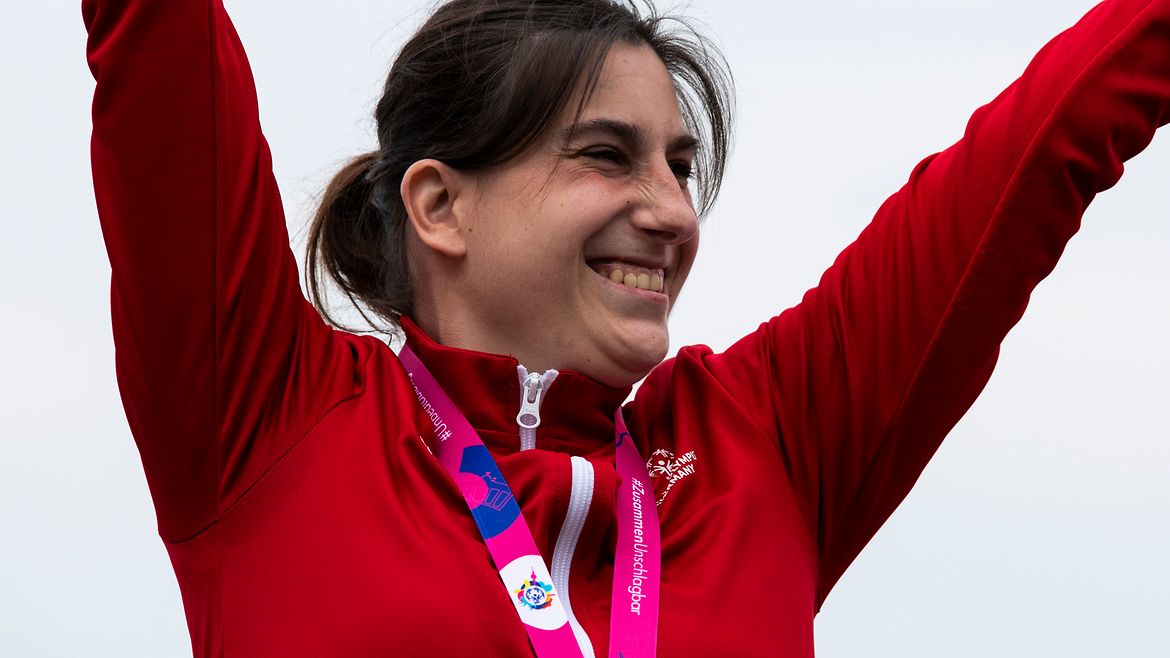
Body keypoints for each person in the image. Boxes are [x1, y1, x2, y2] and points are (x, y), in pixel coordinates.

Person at [82, 0, 1168, 655]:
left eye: (680, 166)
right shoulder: (267, 422)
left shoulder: (767, 446)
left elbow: (1048, 140)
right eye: (608, 155)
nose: (673, 211)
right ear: (439, 204)